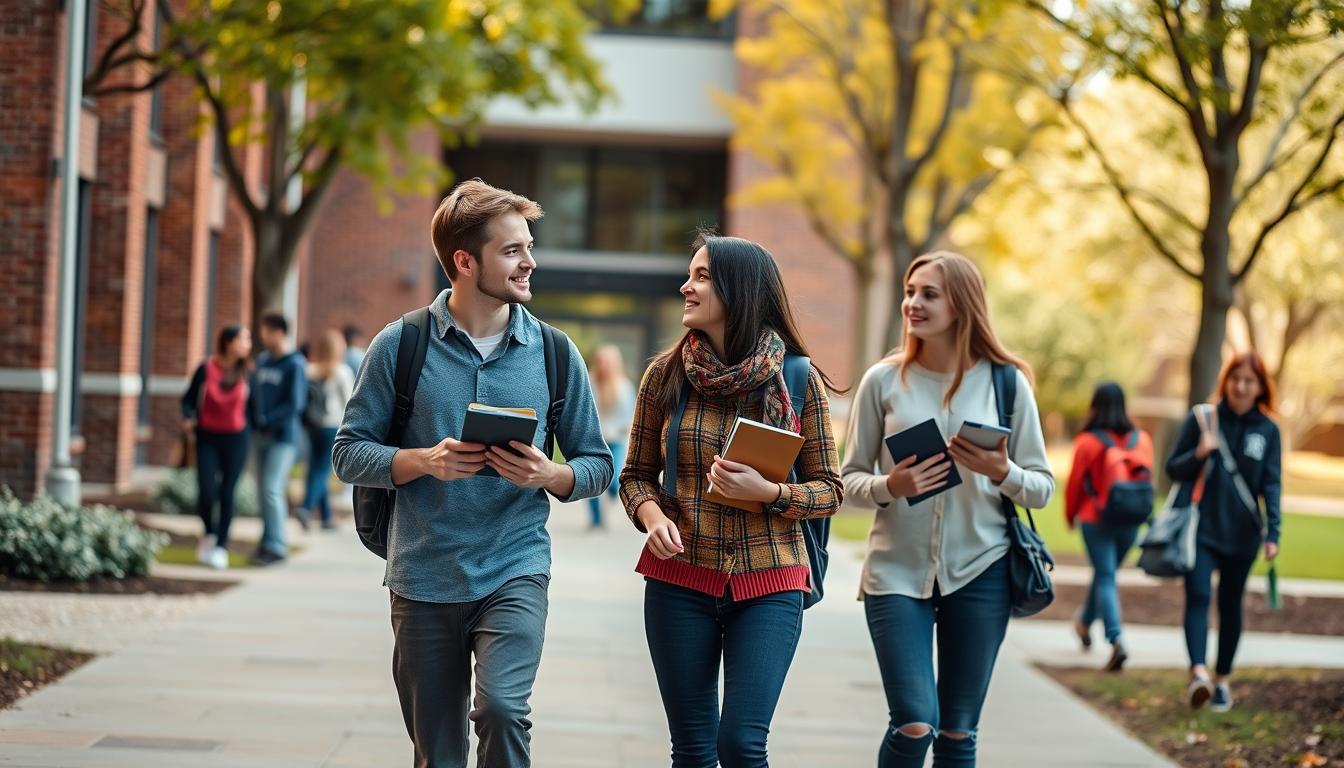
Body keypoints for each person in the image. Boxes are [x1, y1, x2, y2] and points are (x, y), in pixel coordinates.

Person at [332, 178, 612, 768]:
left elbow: (597, 465)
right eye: (512, 251)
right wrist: (422, 461)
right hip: (422, 574)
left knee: (504, 710)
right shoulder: (400, 344)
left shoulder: (555, 353)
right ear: (465, 261)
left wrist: (549, 475)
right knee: (439, 752)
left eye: (528, 246)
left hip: (515, 566)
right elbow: (349, 454)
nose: (529, 262)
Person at [619, 233, 844, 768]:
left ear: (739, 291)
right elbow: (634, 476)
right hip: (679, 579)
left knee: (742, 744)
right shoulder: (664, 377)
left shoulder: (796, 378)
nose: (685, 286)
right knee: (693, 753)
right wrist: (651, 516)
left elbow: (830, 490)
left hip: (770, 581)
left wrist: (769, 493)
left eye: (701, 276)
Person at [841, 250, 1054, 767]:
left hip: (981, 572)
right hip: (895, 573)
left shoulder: (1006, 383)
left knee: (958, 734)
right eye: (910, 292)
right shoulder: (884, 381)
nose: (913, 303)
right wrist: (892, 483)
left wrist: (1000, 471)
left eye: (928, 294)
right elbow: (847, 482)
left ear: (961, 304)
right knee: (915, 723)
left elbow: (1042, 487)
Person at [1166, 351, 1282, 713]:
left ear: (1261, 387)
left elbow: (1272, 484)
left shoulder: (1269, 430)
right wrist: (1200, 452)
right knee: (1198, 597)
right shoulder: (1203, 419)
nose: (1241, 387)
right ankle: (1198, 674)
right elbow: (1173, 469)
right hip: (1202, 531)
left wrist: (1273, 532)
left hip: (1244, 535)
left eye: (1249, 381)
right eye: (1235, 379)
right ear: (1226, 381)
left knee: (1231, 606)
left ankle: (1221, 681)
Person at [1064, 382, 1154, 671]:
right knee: (1106, 574)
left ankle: (1116, 639)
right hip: (1131, 520)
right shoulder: (1142, 440)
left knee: (1105, 576)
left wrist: (1070, 515)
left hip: (1096, 519)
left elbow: (1076, 484)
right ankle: (1083, 623)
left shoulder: (1087, 442)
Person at [181, 324, 252, 570]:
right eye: (244, 339)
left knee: (227, 493)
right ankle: (209, 534)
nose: (248, 344)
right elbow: (188, 399)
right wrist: (188, 417)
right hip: (207, 437)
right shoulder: (206, 368)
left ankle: (221, 546)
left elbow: (256, 409)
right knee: (206, 492)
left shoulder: (248, 371)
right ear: (229, 342)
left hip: (237, 439)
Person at [249, 312, 307, 566]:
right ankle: (266, 542)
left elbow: (295, 403)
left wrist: (268, 419)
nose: (264, 336)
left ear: (281, 332)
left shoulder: (294, 363)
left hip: (283, 438)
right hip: (259, 436)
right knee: (262, 491)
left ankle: (277, 546)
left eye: (269, 331)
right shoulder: (262, 361)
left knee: (272, 489)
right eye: (263, 330)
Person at [297, 329, 355, 531]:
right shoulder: (342, 372)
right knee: (322, 471)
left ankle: (326, 517)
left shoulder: (309, 370)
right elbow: (350, 403)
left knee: (315, 467)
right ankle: (305, 508)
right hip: (333, 426)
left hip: (312, 426)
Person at [586, 344, 635, 529]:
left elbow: (630, 414)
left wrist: (624, 429)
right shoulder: (589, 382)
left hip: (616, 440)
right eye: (601, 361)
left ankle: (613, 496)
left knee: (613, 482)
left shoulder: (624, 386)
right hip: (594, 439)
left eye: (607, 361)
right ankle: (597, 520)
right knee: (591, 479)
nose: (603, 365)